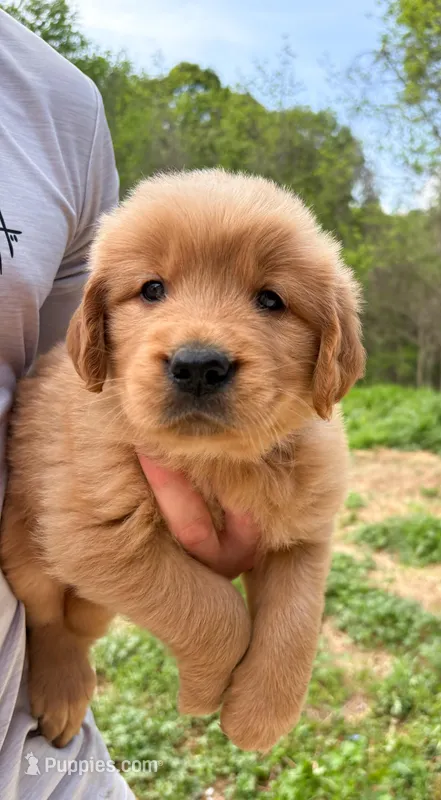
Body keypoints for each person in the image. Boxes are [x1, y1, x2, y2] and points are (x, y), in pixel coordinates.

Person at [0, 9, 258, 798]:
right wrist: (214, 641)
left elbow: (71, 378)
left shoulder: (53, 100)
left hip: (24, 746)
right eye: (158, 288)